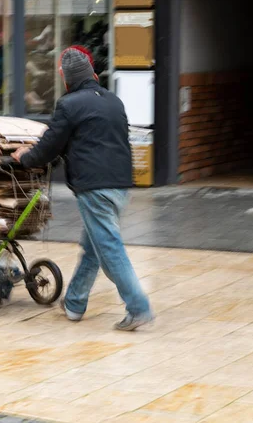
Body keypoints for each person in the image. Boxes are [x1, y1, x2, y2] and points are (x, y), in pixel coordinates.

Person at [12, 47, 153, 331]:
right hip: (120, 185)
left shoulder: (69, 105)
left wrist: (23, 157)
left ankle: (138, 308)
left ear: (67, 80)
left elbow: (48, 148)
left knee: (110, 249)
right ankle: (75, 303)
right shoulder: (114, 101)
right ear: (93, 75)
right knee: (92, 248)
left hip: (94, 187)